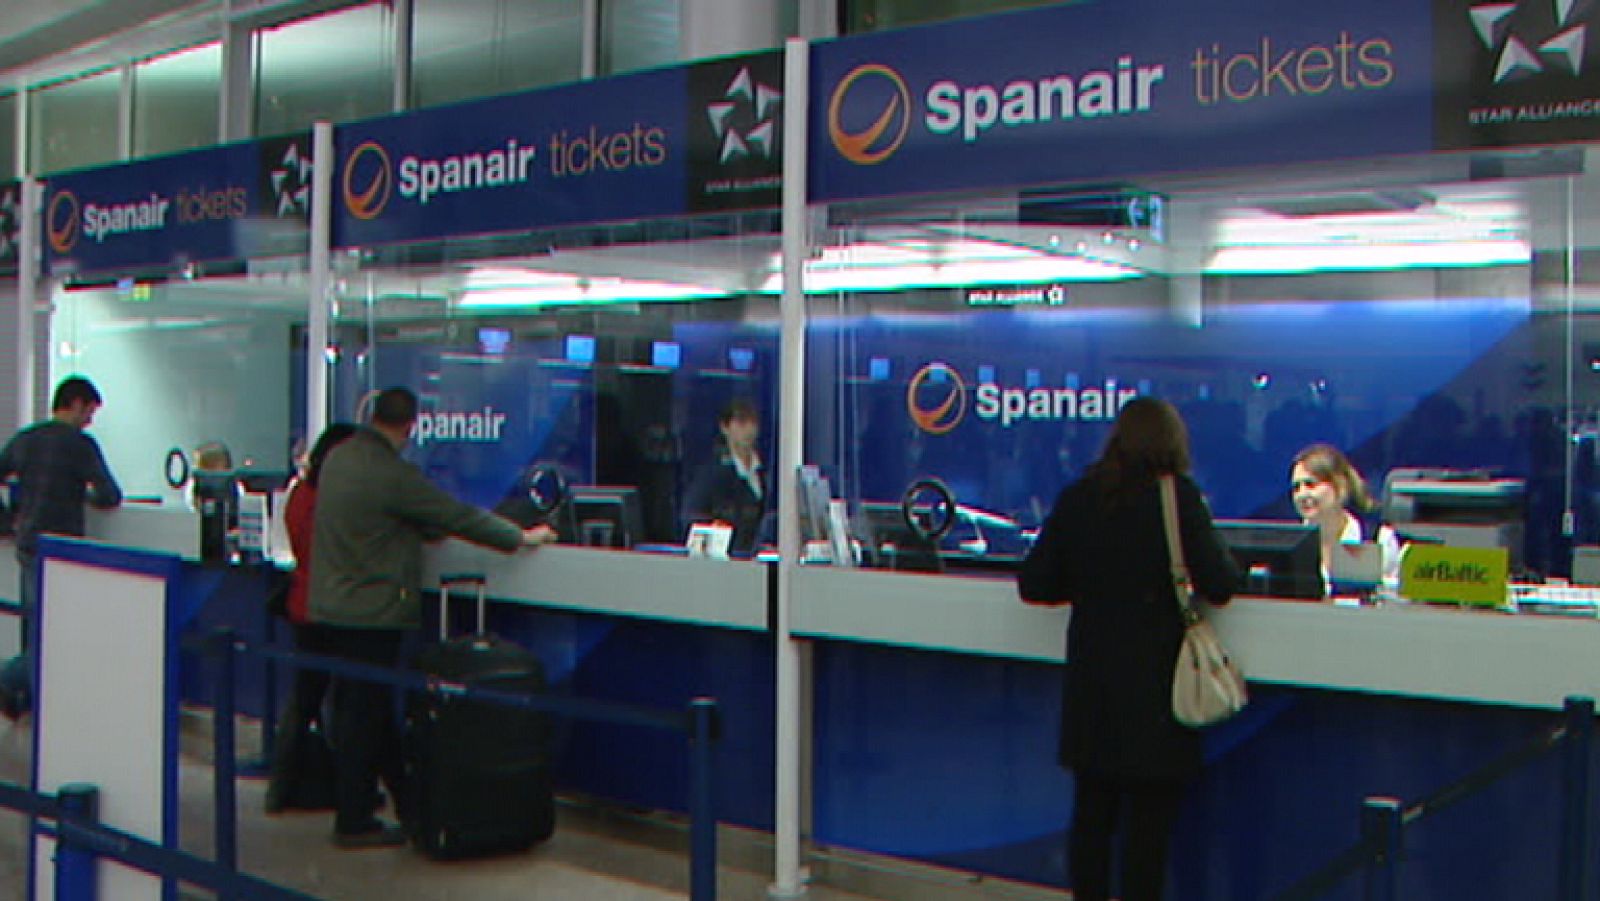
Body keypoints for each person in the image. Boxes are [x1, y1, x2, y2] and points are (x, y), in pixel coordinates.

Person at [310, 388, 556, 849]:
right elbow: (453, 515)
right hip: (373, 612)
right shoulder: (392, 474)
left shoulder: (339, 459)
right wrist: (518, 537)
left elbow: (390, 518)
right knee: (367, 717)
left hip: (331, 608)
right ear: (409, 427)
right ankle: (355, 818)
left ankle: (386, 804)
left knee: (359, 713)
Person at [1017, 397, 1238, 901]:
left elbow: (1036, 582)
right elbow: (1221, 582)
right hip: (1157, 692)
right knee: (1148, 833)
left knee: (1092, 821)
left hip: (1094, 689)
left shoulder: (1080, 498)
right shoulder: (1177, 500)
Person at [0, 377, 122, 717]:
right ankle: (10, 682)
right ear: (77, 403)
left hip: (27, 546)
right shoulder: (80, 446)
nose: (90, 421)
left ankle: (23, 698)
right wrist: (84, 494)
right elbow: (110, 496)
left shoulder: (26, 440)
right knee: (53, 637)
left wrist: (7, 520)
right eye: (90, 412)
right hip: (63, 552)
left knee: (35, 627)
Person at [265, 422, 358, 814]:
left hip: (303, 604)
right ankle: (349, 790)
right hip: (334, 607)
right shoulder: (333, 503)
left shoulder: (300, 494)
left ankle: (281, 786)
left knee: (303, 702)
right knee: (345, 702)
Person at [1289, 443, 1401, 590]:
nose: (1302, 495)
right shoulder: (1290, 544)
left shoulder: (1379, 539)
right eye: (1296, 488)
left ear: (1340, 486)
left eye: (1311, 485)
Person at [683, 398, 767, 555]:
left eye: (753, 423)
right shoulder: (711, 475)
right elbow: (692, 516)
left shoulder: (764, 473)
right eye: (741, 423)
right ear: (725, 428)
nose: (748, 430)